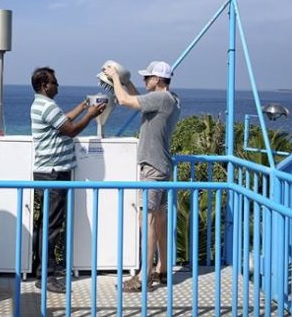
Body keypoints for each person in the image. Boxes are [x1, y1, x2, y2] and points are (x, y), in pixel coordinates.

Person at [104, 60, 181, 292]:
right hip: (163, 166)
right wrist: (127, 83)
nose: (144, 80)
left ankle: (144, 277)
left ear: (157, 80)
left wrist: (116, 78)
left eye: (147, 77)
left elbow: (127, 101)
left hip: (152, 168)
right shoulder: (171, 99)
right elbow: (140, 101)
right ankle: (163, 269)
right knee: (159, 220)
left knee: (146, 221)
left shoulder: (161, 99)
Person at [30, 66, 106, 293]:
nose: (57, 85)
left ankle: (41, 268)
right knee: (52, 226)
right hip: (53, 172)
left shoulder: (42, 104)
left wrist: (83, 107)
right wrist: (90, 116)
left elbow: (63, 120)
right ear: (45, 86)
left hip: (47, 171)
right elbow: (70, 129)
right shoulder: (47, 106)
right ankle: (46, 276)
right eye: (54, 82)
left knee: (44, 223)